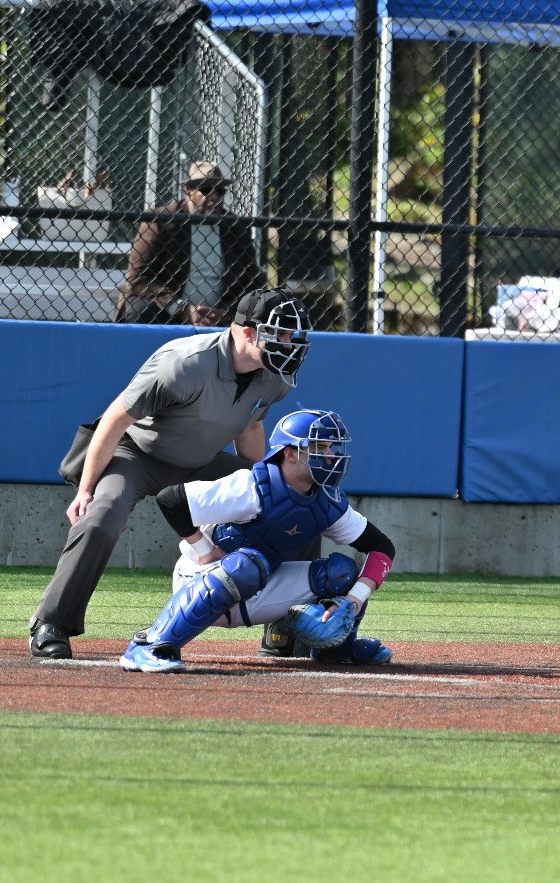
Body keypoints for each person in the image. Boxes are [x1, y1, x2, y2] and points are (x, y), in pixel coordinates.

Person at [26, 288, 311, 660]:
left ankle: (286, 623)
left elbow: (251, 428)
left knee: (293, 498)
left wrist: (262, 491)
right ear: (246, 331)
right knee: (100, 519)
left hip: (202, 462)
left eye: (293, 336)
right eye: (281, 334)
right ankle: (51, 622)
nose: (289, 345)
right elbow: (115, 419)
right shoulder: (184, 362)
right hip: (138, 456)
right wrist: (86, 489)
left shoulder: (275, 376)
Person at [123, 410, 398, 672]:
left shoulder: (327, 502)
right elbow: (171, 499)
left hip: (258, 587)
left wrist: (354, 599)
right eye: (319, 448)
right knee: (247, 565)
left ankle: (337, 647)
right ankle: (150, 645)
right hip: (201, 580)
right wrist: (204, 550)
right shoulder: (251, 487)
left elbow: (382, 547)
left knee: (341, 573)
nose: (330, 457)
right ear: (289, 454)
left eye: (330, 448)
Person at [115, 161, 264, 326]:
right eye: (206, 190)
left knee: (264, 307)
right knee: (139, 309)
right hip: (169, 312)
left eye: (219, 191)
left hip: (221, 315)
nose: (213, 197)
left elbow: (253, 282)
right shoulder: (161, 221)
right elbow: (137, 278)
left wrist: (227, 314)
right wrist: (182, 309)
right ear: (189, 191)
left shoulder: (235, 227)